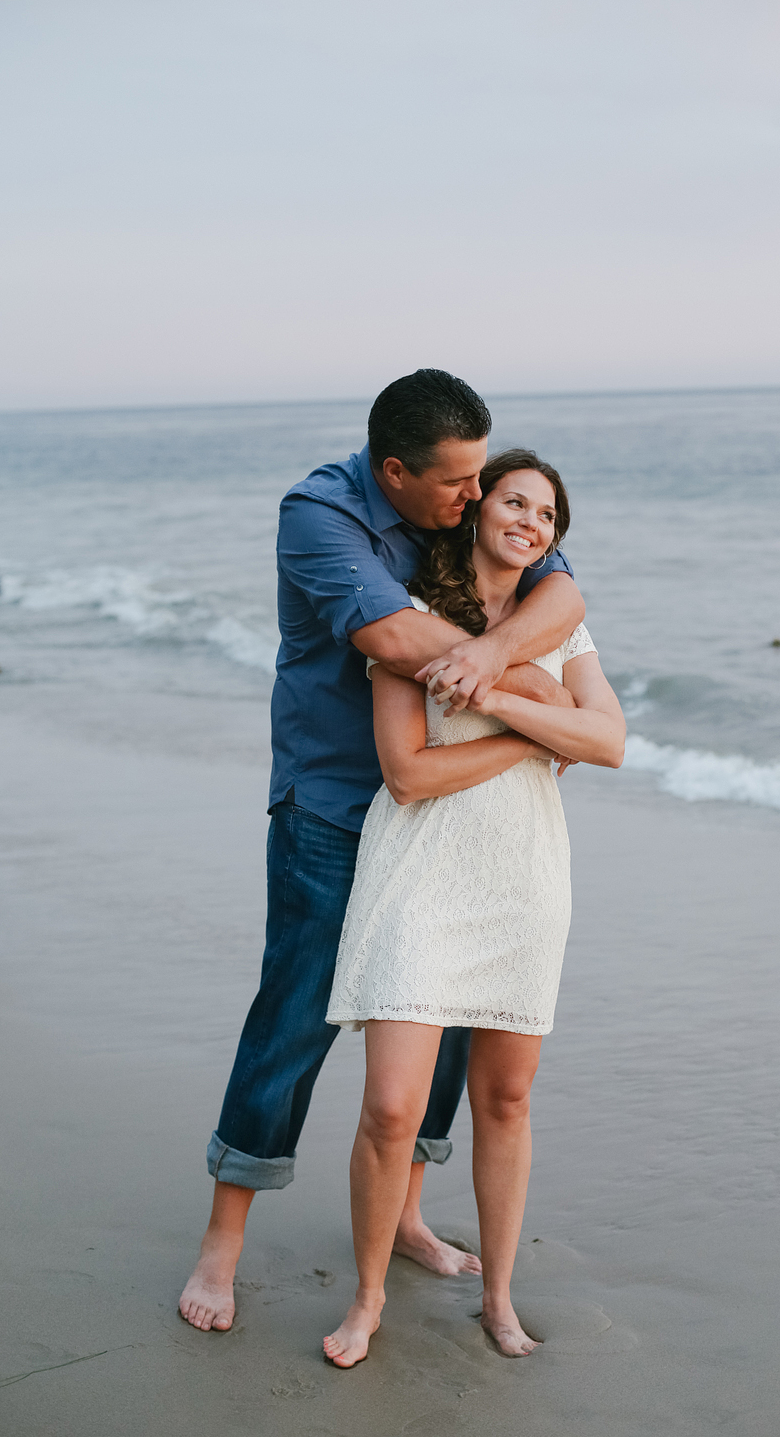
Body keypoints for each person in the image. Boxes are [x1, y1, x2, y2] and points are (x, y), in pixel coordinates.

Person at [179, 370, 587, 1334]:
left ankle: (404, 1214)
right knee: (295, 1019)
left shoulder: (473, 494)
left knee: (442, 1017)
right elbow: (396, 636)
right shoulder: (318, 516)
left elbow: (563, 589)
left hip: (451, 816)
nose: (479, 499)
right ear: (395, 471)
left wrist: (495, 659)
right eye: (459, 485)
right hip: (336, 804)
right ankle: (223, 1240)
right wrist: (536, 701)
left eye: (486, 478)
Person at [319, 449, 626, 1367]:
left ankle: (497, 1298)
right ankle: (368, 1300)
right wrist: (530, 727)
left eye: (548, 516)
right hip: (419, 874)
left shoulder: (562, 630)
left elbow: (607, 741)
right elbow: (409, 776)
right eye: (517, 501)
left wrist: (493, 691)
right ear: (478, 506)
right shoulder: (408, 619)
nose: (531, 522)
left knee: (508, 1097)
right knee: (390, 1107)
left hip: (523, 877)